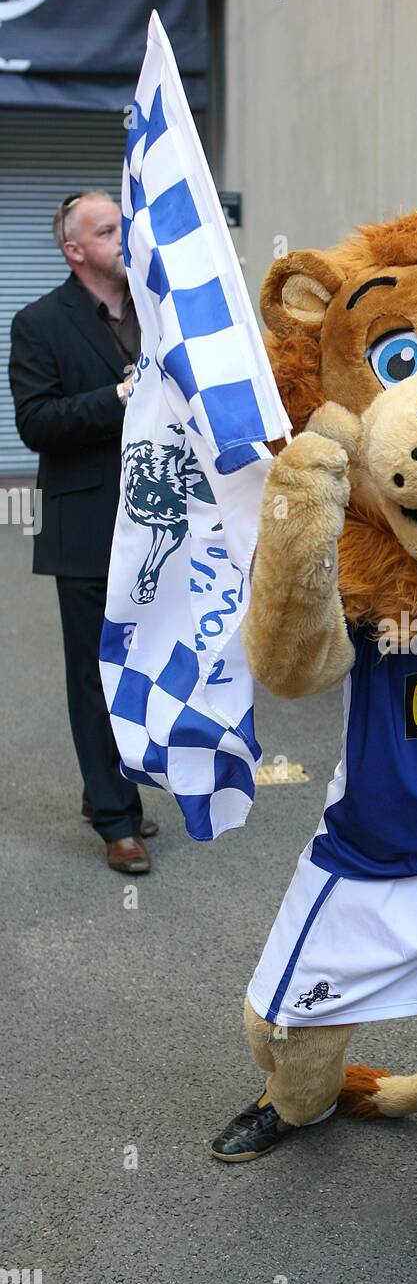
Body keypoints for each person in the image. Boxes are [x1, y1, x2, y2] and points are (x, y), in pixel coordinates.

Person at [8, 191, 157, 874]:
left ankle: (111, 789)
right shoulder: (39, 322)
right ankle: (116, 819)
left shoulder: (159, 311)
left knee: (142, 666)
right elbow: (37, 423)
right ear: (75, 250)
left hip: (156, 523)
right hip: (86, 524)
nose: (122, 237)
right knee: (95, 673)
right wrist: (121, 396)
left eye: (123, 224)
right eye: (106, 230)